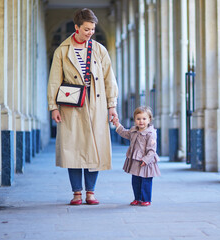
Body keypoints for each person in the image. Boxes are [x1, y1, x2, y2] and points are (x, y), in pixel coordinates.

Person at [47, 8, 118, 205]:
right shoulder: (62, 50)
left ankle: (91, 192)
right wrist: (53, 106)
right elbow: (54, 80)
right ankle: (77, 192)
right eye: (86, 29)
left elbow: (109, 79)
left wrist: (112, 105)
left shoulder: (99, 50)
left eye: (92, 29)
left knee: (94, 147)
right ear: (76, 27)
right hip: (71, 106)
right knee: (73, 148)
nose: (90, 33)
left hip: (96, 104)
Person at [113, 106, 161, 206]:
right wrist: (117, 124)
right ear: (135, 119)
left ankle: (146, 199)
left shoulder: (151, 133)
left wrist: (146, 160)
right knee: (136, 181)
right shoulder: (133, 131)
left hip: (146, 162)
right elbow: (124, 133)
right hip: (135, 160)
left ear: (149, 120)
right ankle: (137, 198)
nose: (141, 121)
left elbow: (152, 150)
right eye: (138, 119)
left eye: (144, 119)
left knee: (146, 181)